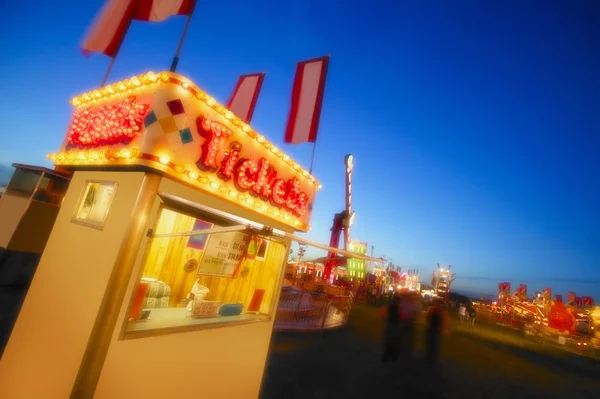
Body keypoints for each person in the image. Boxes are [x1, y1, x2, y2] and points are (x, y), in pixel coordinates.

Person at [380, 294, 403, 362]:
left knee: (389, 341)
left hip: (390, 325)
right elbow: (399, 316)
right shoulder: (397, 307)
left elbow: (388, 315)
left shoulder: (391, 306)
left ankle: (387, 355)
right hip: (395, 325)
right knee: (394, 341)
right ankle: (392, 356)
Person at [425, 298, 447, 365]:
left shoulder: (432, 309)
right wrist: (443, 329)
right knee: (434, 343)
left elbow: (427, 316)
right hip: (435, 329)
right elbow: (443, 320)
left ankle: (430, 357)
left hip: (432, 328)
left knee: (431, 343)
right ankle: (433, 358)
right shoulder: (440, 311)